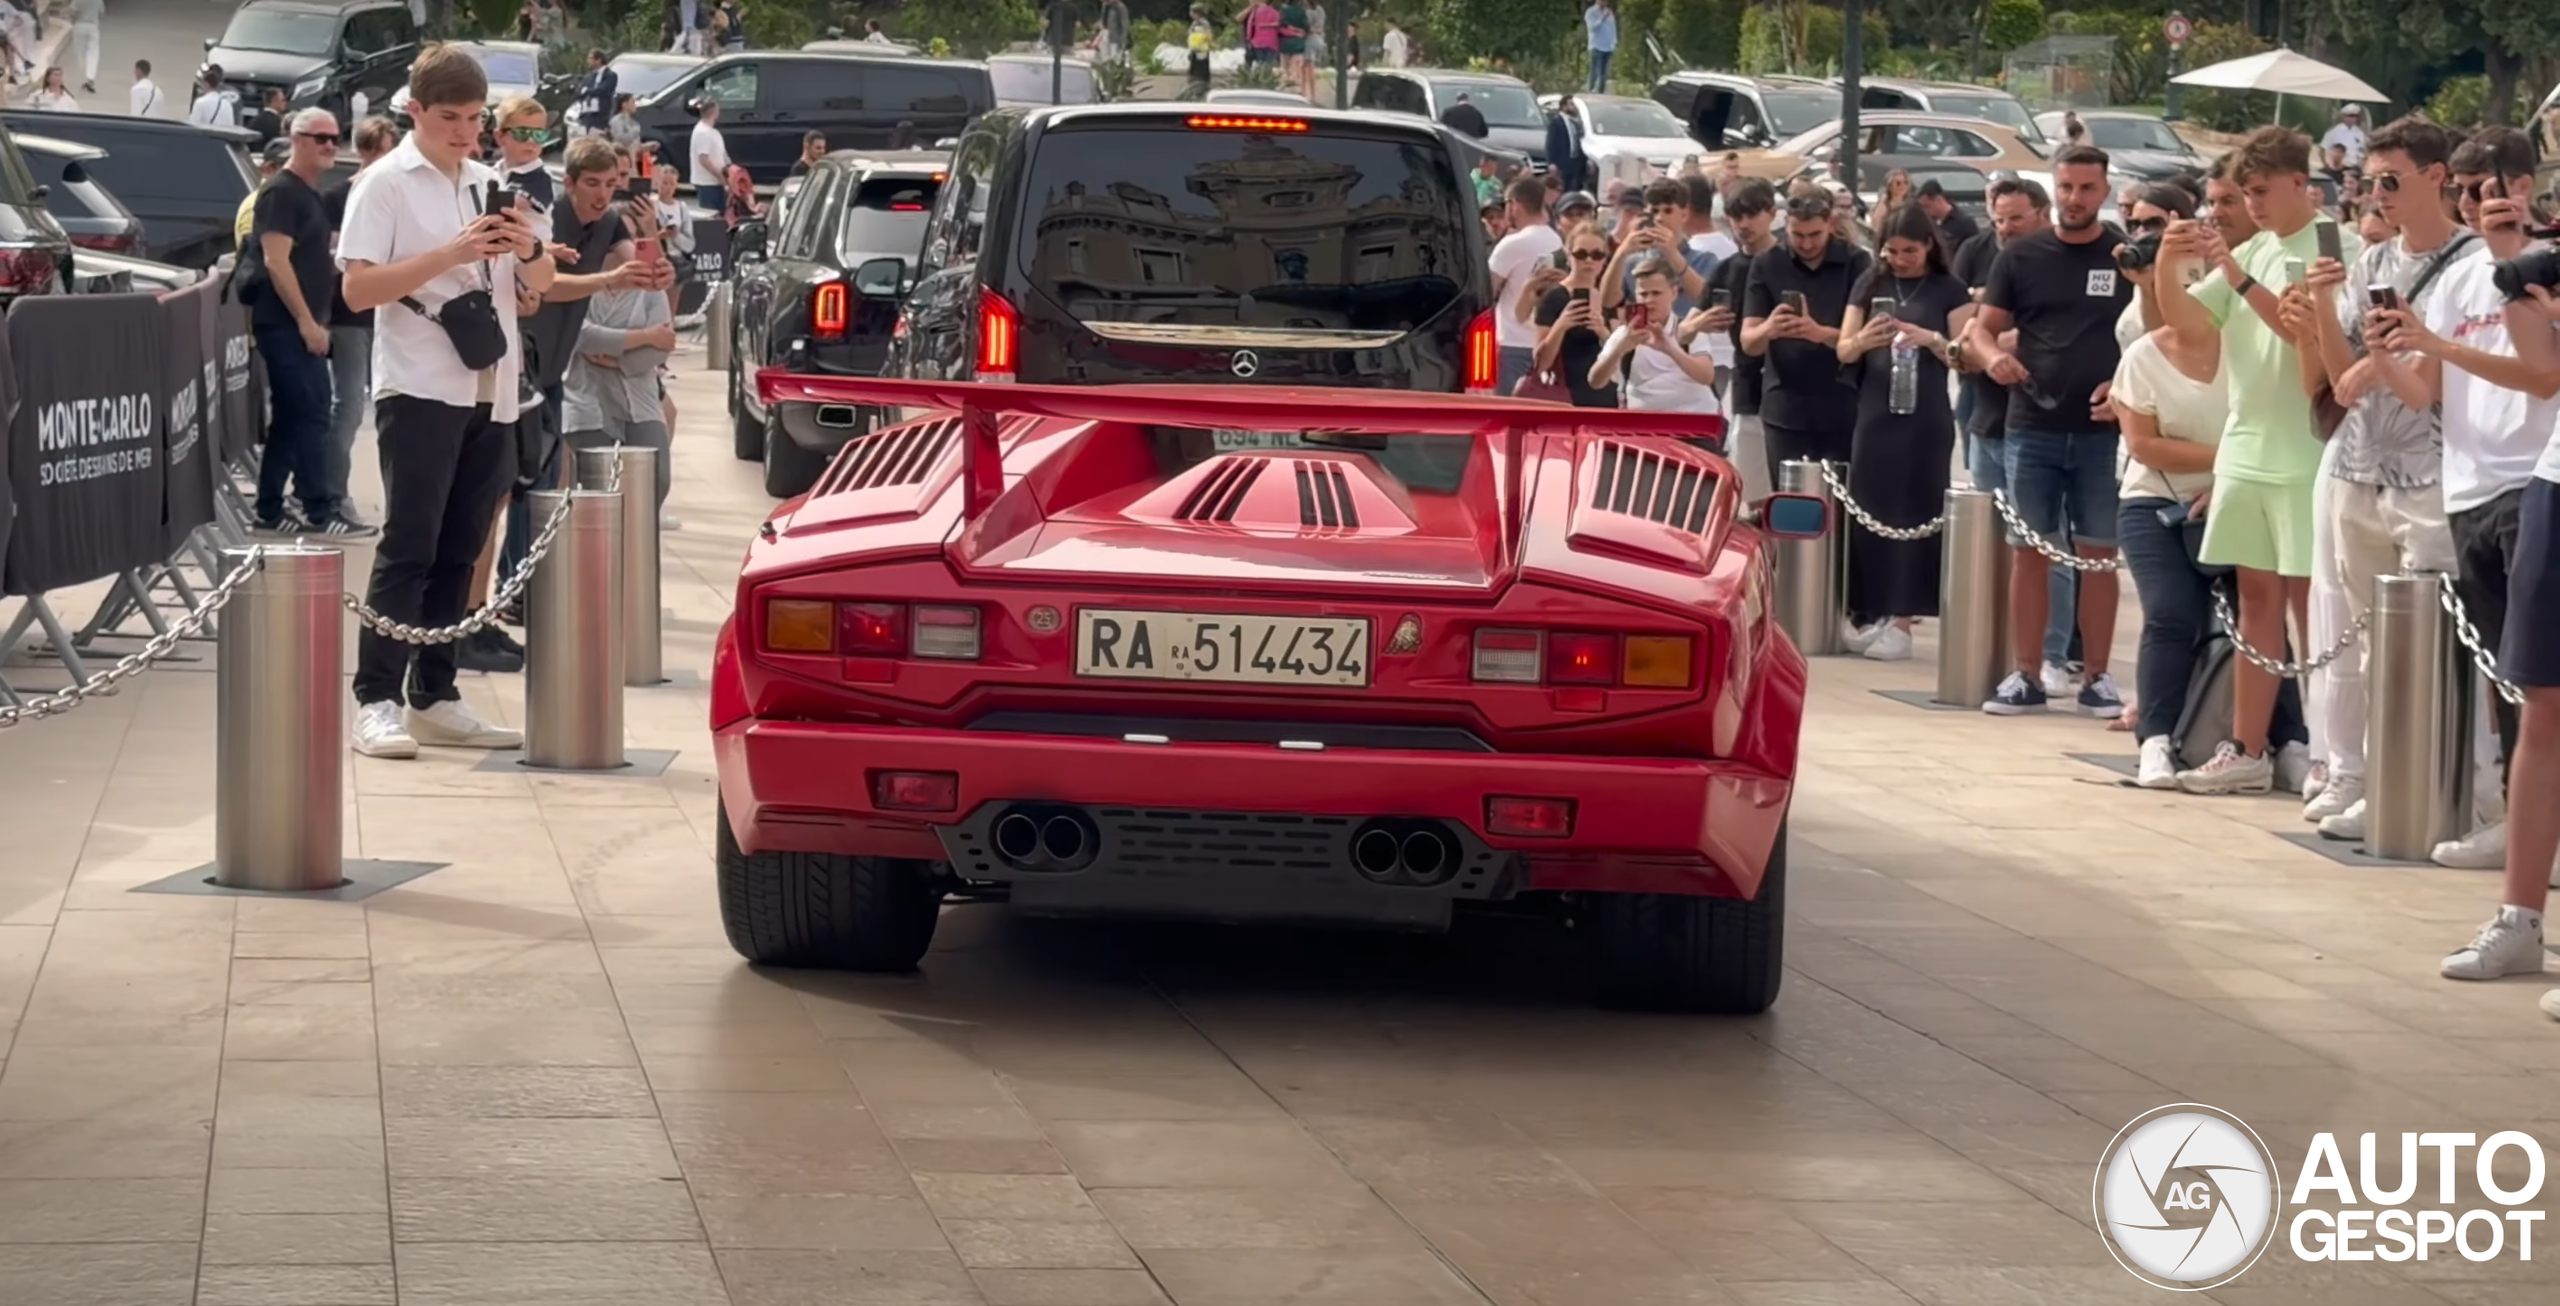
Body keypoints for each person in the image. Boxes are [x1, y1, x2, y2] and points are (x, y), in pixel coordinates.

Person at [337, 43, 555, 759]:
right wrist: (452, 254)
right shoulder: (384, 184)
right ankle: (376, 698)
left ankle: (435, 691)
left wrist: (525, 253)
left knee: (463, 549)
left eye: (473, 118)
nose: (463, 131)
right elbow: (358, 290)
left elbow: (541, 283)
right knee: (410, 544)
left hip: (491, 387)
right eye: (449, 118)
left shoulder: (487, 178)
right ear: (415, 112)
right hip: (420, 386)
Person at [2153, 127, 2360, 791]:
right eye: (2245, 193)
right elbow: (2188, 325)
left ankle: (2329, 755)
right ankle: (2247, 749)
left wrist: (2236, 274)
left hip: (2306, 449)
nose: (2252, 203)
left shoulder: (2334, 245)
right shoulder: (2255, 247)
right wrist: (2166, 260)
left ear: (2302, 183)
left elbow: (2301, 334)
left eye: (2262, 191)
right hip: (2246, 448)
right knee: (2257, 602)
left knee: (2312, 609)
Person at [2373, 130, 2553, 884]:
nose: (2480, 202)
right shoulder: (2451, 282)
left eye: (2491, 187)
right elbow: (2424, 393)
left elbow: (2542, 377)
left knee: (2541, 681)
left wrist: (2441, 347)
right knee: (2507, 673)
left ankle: (2529, 832)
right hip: (2469, 485)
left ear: (2526, 183)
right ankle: (2518, 822)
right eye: (2468, 190)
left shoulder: (2541, 269)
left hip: (2531, 482)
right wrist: (2384, 351)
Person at [2291, 117, 2473, 838]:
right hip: (2362, 466)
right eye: (2369, 182)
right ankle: (2363, 773)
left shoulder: (2469, 265)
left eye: (2392, 180)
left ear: (2437, 177)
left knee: (2432, 643)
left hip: (2432, 470)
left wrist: (2379, 362)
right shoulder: (2371, 262)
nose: (2378, 194)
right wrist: (2325, 311)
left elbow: (2428, 385)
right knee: (2364, 641)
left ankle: (2446, 782)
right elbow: (2340, 382)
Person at [1965, 144, 2133, 718]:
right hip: (2030, 424)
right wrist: (1991, 359)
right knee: (2030, 551)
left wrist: (2125, 386)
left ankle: (2099, 677)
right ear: (2053, 188)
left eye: (2087, 188)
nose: (2074, 199)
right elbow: (1982, 331)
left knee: (2098, 553)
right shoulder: (2020, 256)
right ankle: (2027, 673)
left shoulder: (2125, 257)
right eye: (2066, 187)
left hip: (2101, 430)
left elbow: (2155, 334)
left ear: (2105, 191)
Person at [1834, 204, 1966, 662]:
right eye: (1891, 251)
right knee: (1871, 504)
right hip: (1876, 408)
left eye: (1909, 250)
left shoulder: (1949, 289)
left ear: (1928, 245)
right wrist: (1863, 340)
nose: (1900, 259)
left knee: (1916, 507)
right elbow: (1844, 349)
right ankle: (1874, 610)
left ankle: (1906, 616)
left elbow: (1962, 353)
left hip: (1924, 413)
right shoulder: (1871, 282)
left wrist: (1928, 338)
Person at [247, 108, 344, 536]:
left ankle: (269, 509)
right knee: (312, 413)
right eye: (318, 137)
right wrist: (306, 321)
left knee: (291, 418)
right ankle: (317, 509)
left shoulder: (307, 194)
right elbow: (275, 260)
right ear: (296, 139)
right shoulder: (281, 193)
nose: (328, 145)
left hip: (300, 326)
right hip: (284, 326)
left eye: (334, 138)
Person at [1740, 187, 1867, 473]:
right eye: (1798, 235)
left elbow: (1865, 341)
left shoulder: (1856, 262)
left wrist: (1819, 333)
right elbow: (1749, 343)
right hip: (1785, 406)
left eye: (1815, 235)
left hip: (1843, 403)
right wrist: (1770, 328)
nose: (1807, 244)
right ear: (1785, 226)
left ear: (1830, 226)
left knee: (1841, 504)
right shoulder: (1767, 263)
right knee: (1791, 503)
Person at [318, 115, 399, 543]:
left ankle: (333, 492)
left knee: (369, 405)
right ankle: (332, 495)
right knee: (348, 405)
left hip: (384, 314)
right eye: (377, 151)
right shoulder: (338, 198)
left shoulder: (394, 195)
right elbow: (333, 261)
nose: (381, 160)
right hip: (349, 317)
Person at [1594, 250, 1722, 420]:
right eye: (1643, 294)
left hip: (1694, 423)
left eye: (1656, 293)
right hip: (1643, 426)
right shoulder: (1626, 333)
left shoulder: (1687, 329)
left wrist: (1670, 349)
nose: (1649, 300)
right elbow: (1595, 381)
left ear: (1673, 293)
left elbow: (1706, 377)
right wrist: (1619, 349)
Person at [1710, 179, 1776, 499]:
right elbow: (1686, 326)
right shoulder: (1729, 268)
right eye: (1737, 217)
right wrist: (1700, 323)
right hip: (1748, 392)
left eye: (1752, 215)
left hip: (1798, 395)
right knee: (1751, 495)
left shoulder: (1792, 262)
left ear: (1772, 214)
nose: (1744, 225)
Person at [1523, 220, 1616, 408]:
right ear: (1568, 255)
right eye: (1581, 254)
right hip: (1566, 395)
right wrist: (1562, 325)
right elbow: (1540, 363)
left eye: (1597, 255)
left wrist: (1603, 332)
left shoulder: (1607, 297)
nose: (1589, 261)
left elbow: (1620, 356)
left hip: (1606, 394)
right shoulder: (1554, 297)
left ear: (1605, 259)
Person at [1487, 175, 1562, 396]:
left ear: (1515, 204)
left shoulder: (1512, 244)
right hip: (1545, 343)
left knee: (1507, 413)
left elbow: (1486, 290)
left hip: (1511, 341)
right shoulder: (1557, 241)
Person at [1913, 178, 1978, 253]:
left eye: (1926, 206)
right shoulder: (1930, 223)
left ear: (1938, 199)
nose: (1924, 211)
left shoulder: (1964, 223)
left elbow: (1975, 251)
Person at [690, 98, 728, 213]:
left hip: (715, 182)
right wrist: (720, 176)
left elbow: (722, 154)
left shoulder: (712, 132)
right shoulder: (703, 133)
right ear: (715, 112)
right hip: (707, 183)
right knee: (711, 216)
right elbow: (703, 159)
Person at [1546, 95, 1586, 197]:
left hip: (1575, 161)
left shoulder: (1576, 122)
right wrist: (1552, 162)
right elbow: (1551, 142)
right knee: (1562, 188)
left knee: (1573, 188)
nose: (1573, 107)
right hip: (1562, 162)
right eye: (1571, 104)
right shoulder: (1556, 122)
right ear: (1564, 106)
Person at [571, 49, 616, 137]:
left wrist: (588, 91)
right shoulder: (588, 77)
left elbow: (605, 90)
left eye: (590, 58)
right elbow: (579, 92)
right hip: (587, 114)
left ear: (598, 60)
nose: (588, 61)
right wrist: (584, 92)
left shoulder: (611, 76)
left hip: (602, 114)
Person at [2322, 104, 2368, 170]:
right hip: (2337, 167)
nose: (2353, 119)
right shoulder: (2334, 131)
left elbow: (2363, 151)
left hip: (2354, 168)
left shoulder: (2359, 133)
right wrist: (2325, 165)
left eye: (2355, 116)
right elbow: (2323, 149)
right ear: (2344, 117)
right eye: (2350, 116)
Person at [1583, 0, 1615, 93]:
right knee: (1595, 72)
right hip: (1596, 46)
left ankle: (1600, 93)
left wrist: (1613, 42)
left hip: (1607, 47)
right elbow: (1592, 28)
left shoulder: (1609, 12)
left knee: (1604, 74)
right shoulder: (1591, 12)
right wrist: (1602, 18)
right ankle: (1590, 90)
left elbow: (1612, 28)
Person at [67, 0, 97, 94]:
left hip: (79, 26)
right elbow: (101, 13)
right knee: (93, 53)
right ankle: (90, 77)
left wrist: (73, 21)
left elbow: (72, 13)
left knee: (81, 53)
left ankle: (84, 76)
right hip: (92, 26)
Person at [1240, 0, 1280, 68]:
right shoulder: (1274, 12)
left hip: (1255, 42)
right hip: (1270, 43)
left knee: (1259, 63)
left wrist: (1249, 39)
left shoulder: (1256, 12)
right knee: (1266, 64)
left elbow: (1249, 27)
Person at [1185, 5, 1212, 95]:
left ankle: (1202, 87)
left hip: (1201, 51)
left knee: (1201, 70)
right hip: (1194, 50)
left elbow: (1207, 36)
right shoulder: (1195, 23)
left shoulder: (1203, 23)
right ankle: (1194, 86)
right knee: (1194, 69)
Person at [1099, 0, 1130, 64]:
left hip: (1116, 36)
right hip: (1106, 32)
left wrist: (1122, 39)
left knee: (1115, 57)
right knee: (1104, 56)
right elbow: (1103, 19)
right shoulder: (1105, 6)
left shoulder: (1120, 7)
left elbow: (1124, 24)